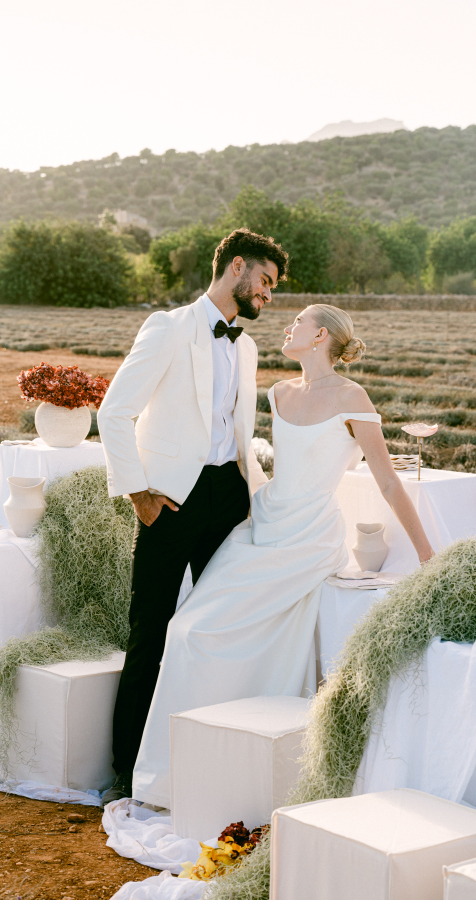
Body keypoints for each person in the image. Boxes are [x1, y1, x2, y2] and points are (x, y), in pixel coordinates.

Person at [132, 303, 435, 809]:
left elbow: (386, 479)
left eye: (298, 322)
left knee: (199, 633)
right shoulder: (277, 392)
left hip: (308, 538)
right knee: (187, 629)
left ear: (320, 337)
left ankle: (225, 775)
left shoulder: (352, 396)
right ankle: (175, 778)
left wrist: (428, 555)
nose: (288, 326)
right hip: (261, 523)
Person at [97, 228, 288, 805]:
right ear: (236, 268)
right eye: (267, 281)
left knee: (215, 636)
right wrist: (139, 495)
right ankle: (126, 772)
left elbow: (238, 431)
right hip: (169, 501)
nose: (269, 295)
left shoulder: (247, 347)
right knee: (149, 631)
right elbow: (113, 412)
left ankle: (203, 769)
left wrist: (252, 495)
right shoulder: (169, 328)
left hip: (228, 500)